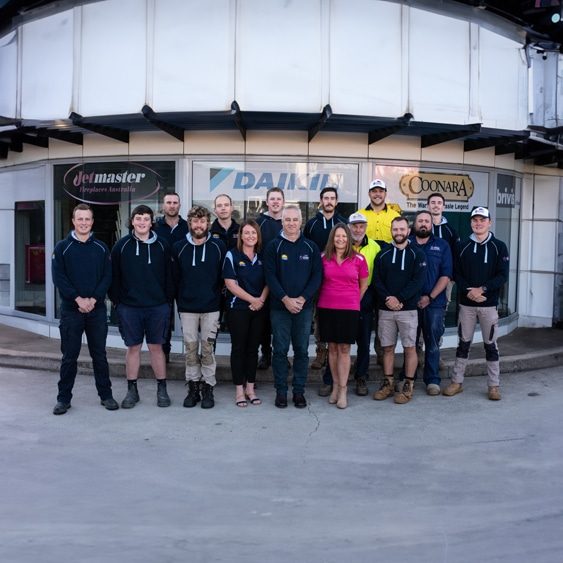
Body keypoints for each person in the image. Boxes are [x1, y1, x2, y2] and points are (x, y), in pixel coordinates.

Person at [51, 204, 118, 415]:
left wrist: (93, 299)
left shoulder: (101, 248)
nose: (83, 223)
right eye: (80, 219)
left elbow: (107, 276)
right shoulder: (62, 247)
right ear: (73, 221)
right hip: (71, 311)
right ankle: (63, 399)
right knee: (69, 356)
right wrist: (78, 299)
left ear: (92, 222)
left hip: (96, 310)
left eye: (87, 219)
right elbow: (58, 278)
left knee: (100, 355)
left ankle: (106, 396)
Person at [109, 205, 174, 409]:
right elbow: (113, 277)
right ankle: (132, 390)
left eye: (146, 218)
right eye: (138, 218)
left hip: (157, 306)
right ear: (132, 221)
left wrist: (166, 300)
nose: (142, 222)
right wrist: (119, 302)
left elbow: (171, 276)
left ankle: (162, 389)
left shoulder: (163, 245)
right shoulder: (121, 246)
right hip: (130, 308)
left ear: (151, 222)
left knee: (156, 347)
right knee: (133, 348)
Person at [443, 206, 509, 401]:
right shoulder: (462, 245)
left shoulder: (499, 246)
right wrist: (469, 291)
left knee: (491, 345)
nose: (478, 223)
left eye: (482, 220)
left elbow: (502, 275)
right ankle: (457, 381)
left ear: (489, 222)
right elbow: (456, 273)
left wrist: (483, 290)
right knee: (463, 344)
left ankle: (494, 385)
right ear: (471, 222)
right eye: (475, 220)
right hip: (467, 304)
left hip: (488, 305)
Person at [264, 205, 322, 409]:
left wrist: (303, 298)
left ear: (301, 221)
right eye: (287, 219)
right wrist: (285, 299)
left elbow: (317, 276)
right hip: (280, 308)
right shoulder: (273, 246)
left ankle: (298, 392)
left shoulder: (311, 247)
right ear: (282, 222)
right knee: (279, 351)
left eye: (294, 220)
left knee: (302, 351)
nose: (290, 223)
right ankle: (281, 392)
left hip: (303, 309)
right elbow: (270, 276)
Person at [318, 213, 381, 397]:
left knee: (344, 348)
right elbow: (319, 282)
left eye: (344, 236)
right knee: (332, 348)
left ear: (348, 238)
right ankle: (335, 386)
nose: (340, 239)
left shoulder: (359, 259)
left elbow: (364, 284)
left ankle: (343, 390)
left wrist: (353, 300)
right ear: (332, 238)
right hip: (327, 308)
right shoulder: (323, 258)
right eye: (337, 236)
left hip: (349, 309)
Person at [173, 205, 226, 409]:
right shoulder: (179, 247)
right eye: (195, 221)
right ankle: (193, 386)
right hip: (187, 307)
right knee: (191, 349)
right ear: (189, 223)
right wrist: (180, 300)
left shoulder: (218, 246)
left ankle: (208, 387)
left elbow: (224, 277)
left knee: (207, 348)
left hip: (211, 306)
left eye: (202, 221)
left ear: (208, 223)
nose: (198, 225)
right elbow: (175, 278)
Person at [372, 216, 426, 404]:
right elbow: (377, 280)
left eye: (402, 229)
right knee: (387, 348)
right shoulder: (383, 254)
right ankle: (388, 382)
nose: (399, 233)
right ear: (391, 231)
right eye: (395, 229)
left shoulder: (417, 254)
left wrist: (400, 299)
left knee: (410, 348)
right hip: (386, 310)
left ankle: (408, 385)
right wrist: (388, 298)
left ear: (408, 231)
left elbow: (418, 281)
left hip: (408, 309)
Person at [223, 220, 269, 407]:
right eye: (247, 232)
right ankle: (239, 391)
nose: (250, 236)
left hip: (259, 310)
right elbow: (230, 284)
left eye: (254, 233)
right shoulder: (232, 255)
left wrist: (261, 301)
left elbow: (269, 282)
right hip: (238, 310)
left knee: (253, 350)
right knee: (239, 349)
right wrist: (253, 300)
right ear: (241, 235)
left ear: (258, 236)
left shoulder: (263, 257)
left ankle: (250, 388)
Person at [304, 186, 347, 371]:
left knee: (336, 316)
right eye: (326, 198)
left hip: (338, 280)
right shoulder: (312, 224)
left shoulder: (343, 223)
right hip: (317, 279)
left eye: (332, 198)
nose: (329, 201)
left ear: (336, 202)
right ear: (321, 201)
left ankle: (336, 351)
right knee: (318, 317)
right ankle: (321, 351)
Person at [409, 210, 452, 395]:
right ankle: (408, 377)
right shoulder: (406, 243)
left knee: (432, 342)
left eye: (427, 221)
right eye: (420, 221)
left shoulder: (442, 245)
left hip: (434, 302)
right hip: (410, 302)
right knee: (409, 342)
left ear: (431, 225)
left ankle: (432, 379)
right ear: (414, 224)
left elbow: (446, 275)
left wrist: (430, 297)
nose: (424, 224)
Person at [153, 191, 189, 363]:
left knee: (188, 318)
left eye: (175, 202)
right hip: (163, 280)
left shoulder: (188, 227)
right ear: (163, 206)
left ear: (179, 205)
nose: (172, 205)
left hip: (185, 279)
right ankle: (164, 354)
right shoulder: (155, 228)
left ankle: (192, 355)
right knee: (164, 319)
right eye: (169, 202)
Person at [256, 187, 285, 369]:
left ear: (283, 201)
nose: (275, 202)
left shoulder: (289, 222)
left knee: (282, 322)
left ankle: (281, 355)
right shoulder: (259, 223)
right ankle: (266, 353)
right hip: (263, 280)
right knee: (264, 321)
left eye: (278, 199)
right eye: (272, 199)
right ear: (267, 202)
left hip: (285, 280)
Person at [357, 178, 400, 246]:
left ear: (385, 194)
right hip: (366, 254)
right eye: (374, 191)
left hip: (387, 254)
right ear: (369, 194)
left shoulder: (395, 216)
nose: (377, 194)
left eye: (381, 191)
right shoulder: (359, 215)